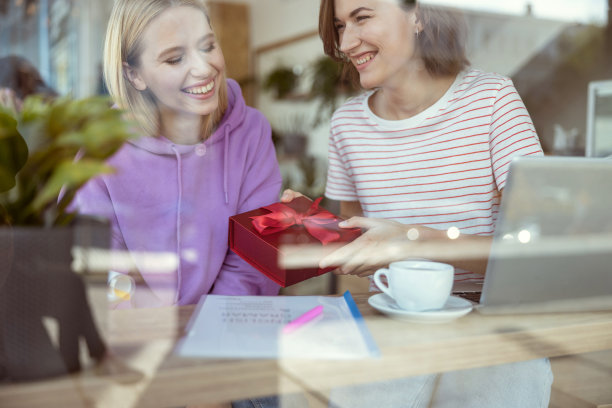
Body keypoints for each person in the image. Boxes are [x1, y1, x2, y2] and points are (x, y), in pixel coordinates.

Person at [283, 0, 553, 406]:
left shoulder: (493, 100)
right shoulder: (347, 126)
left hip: (488, 325)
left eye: (362, 17)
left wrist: (415, 241)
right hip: (391, 323)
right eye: (340, 26)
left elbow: (536, 252)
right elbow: (358, 237)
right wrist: (314, 225)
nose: (347, 42)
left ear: (419, 14)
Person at [72, 0, 282, 308]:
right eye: (175, 59)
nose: (203, 68)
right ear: (135, 76)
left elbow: (254, 259)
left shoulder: (251, 131)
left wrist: (207, 330)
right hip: (133, 333)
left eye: (207, 46)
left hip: (226, 327)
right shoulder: (100, 152)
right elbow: (100, 269)